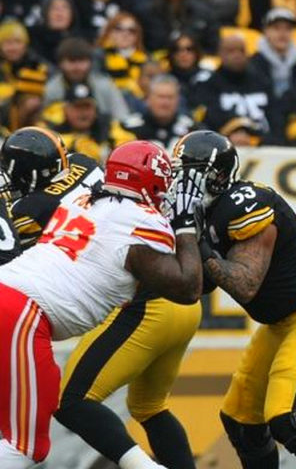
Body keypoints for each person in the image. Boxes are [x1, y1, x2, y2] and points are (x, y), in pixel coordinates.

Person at [0, 139, 204, 468]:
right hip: (21, 311)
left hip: (14, 302)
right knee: (26, 446)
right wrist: (185, 226)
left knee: (40, 407)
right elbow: (188, 288)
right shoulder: (139, 222)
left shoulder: (82, 200)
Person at [176, 130, 296, 468]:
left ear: (215, 175)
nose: (181, 182)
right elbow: (202, 287)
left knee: (288, 419)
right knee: (241, 421)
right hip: (279, 323)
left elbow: (245, 285)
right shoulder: (210, 212)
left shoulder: (245, 204)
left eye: (190, 172)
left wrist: (197, 242)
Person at [121, 74, 199, 148]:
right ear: (148, 99)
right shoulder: (129, 128)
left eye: (170, 97)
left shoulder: (192, 130)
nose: (165, 103)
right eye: (160, 97)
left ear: (178, 100)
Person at [249, 8, 296, 98]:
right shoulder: (253, 64)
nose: (282, 33)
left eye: (288, 28)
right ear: (265, 31)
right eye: (276, 28)